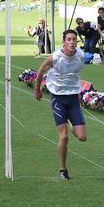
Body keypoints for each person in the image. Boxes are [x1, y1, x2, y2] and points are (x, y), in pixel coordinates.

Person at [34, 29, 86, 180]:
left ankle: (70, 121)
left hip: (73, 98)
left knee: (82, 137)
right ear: (63, 42)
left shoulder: (80, 55)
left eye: (74, 39)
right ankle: (63, 170)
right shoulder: (55, 57)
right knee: (64, 137)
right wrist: (37, 89)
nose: (71, 42)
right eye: (68, 39)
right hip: (58, 97)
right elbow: (40, 71)